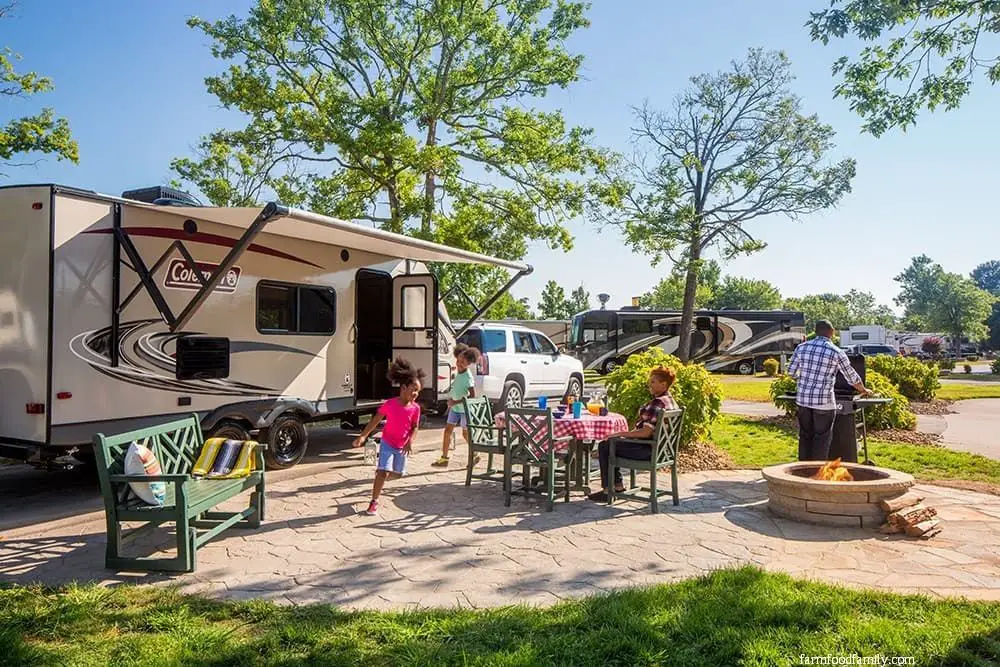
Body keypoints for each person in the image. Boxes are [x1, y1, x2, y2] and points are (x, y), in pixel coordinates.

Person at [588, 366, 679, 503]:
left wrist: (620, 433)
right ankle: (617, 486)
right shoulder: (671, 401)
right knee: (613, 443)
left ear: (663, 384)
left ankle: (608, 490)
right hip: (662, 451)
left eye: (653, 381)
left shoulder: (658, 403)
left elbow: (645, 432)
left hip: (647, 450)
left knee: (606, 445)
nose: (650, 384)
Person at [787, 320, 871, 461]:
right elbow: (851, 377)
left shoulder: (801, 348)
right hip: (824, 402)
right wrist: (864, 390)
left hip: (803, 401)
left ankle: (801, 470)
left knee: (805, 435)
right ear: (831, 332)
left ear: (816, 331)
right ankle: (817, 472)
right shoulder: (836, 351)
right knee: (822, 438)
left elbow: (790, 372)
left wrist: (804, 380)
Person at [352, 358, 425, 516]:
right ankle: (374, 502)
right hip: (387, 443)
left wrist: (410, 441)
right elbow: (375, 420)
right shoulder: (390, 404)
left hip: (402, 446)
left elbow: (415, 427)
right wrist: (363, 436)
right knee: (384, 471)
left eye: (418, 391)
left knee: (397, 474)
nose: (416, 394)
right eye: (414, 390)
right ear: (403, 388)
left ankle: (380, 475)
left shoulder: (415, 409)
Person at [432, 345, 481, 467]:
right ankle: (444, 458)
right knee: (447, 431)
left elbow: (472, 396)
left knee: (465, 434)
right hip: (455, 409)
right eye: (458, 360)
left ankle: (475, 454)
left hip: (464, 410)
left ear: (469, 363)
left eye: (462, 362)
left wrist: (455, 402)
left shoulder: (468, 377)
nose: (459, 364)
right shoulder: (458, 372)